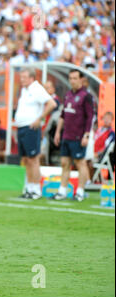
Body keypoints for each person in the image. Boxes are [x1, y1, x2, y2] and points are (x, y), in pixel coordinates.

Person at [14, 68, 56, 199]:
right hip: (21, 127)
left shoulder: (36, 88)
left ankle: (36, 189)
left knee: (33, 159)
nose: (22, 79)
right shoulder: (24, 90)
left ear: (32, 78)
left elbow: (51, 104)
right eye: (21, 77)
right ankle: (29, 187)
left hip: (30, 128)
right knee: (26, 159)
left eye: (24, 77)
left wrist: (39, 119)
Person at [52, 69, 94, 202]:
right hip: (66, 135)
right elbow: (63, 115)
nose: (72, 81)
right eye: (70, 78)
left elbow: (90, 117)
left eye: (75, 78)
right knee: (64, 163)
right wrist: (58, 132)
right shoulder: (68, 94)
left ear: (81, 79)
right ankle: (62, 191)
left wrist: (86, 135)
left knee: (80, 163)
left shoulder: (86, 96)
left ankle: (80, 192)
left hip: (78, 136)